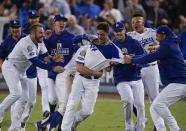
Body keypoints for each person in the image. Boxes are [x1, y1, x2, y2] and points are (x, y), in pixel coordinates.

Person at [0, 23, 64, 130]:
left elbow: (44, 57)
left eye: (43, 32)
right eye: (40, 32)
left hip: (21, 71)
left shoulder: (40, 42)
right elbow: (35, 61)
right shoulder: (27, 42)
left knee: (24, 99)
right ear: (33, 33)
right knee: (16, 93)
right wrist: (52, 68)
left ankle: (15, 127)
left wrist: (53, 58)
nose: (43, 35)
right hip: (10, 67)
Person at [61, 22, 124, 131]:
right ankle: (65, 129)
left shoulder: (114, 50)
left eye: (102, 35)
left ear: (107, 33)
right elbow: (80, 68)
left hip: (93, 82)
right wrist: (97, 73)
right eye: (98, 34)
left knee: (87, 111)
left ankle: (73, 122)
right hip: (80, 78)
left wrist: (110, 66)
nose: (99, 37)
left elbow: (114, 64)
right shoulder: (91, 41)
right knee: (71, 105)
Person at [124, 25, 185, 131]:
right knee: (154, 107)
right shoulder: (168, 43)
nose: (156, 36)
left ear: (164, 35)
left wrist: (132, 60)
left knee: (158, 104)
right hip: (177, 82)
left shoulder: (167, 46)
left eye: (158, 34)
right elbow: (147, 56)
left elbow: (149, 58)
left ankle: (175, 129)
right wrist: (132, 58)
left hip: (180, 83)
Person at [127, 13, 160, 131]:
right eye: (133, 22)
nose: (136, 24)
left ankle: (158, 125)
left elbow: (165, 43)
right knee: (133, 99)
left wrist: (156, 47)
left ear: (143, 22)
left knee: (154, 98)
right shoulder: (129, 36)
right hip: (136, 69)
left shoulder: (153, 32)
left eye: (138, 21)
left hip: (151, 67)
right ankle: (141, 121)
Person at [112, 21, 146, 131]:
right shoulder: (111, 45)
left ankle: (140, 128)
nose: (118, 33)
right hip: (121, 78)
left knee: (140, 105)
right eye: (116, 31)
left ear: (124, 30)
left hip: (136, 77)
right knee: (128, 101)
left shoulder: (134, 43)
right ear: (114, 32)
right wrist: (112, 62)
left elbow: (144, 58)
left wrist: (132, 60)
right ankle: (129, 128)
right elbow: (107, 64)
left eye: (120, 30)